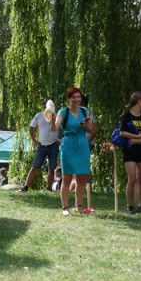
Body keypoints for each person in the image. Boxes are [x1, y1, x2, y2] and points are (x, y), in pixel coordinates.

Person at [52, 87, 97, 215]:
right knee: (67, 177)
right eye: (73, 97)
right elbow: (54, 128)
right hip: (68, 144)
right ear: (69, 99)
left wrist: (85, 126)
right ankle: (65, 208)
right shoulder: (63, 112)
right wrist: (51, 120)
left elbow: (90, 130)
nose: (76, 99)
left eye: (78, 97)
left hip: (82, 144)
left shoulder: (85, 111)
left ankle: (79, 205)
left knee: (81, 177)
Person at [119, 91, 141, 214]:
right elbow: (122, 132)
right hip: (129, 150)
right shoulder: (127, 115)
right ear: (139, 101)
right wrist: (136, 136)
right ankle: (129, 206)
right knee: (132, 178)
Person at [20, 99, 60, 192]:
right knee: (35, 167)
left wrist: (60, 140)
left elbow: (63, 128)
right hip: (42, 146)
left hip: (54, 145)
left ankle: (49, 188)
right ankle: (26, 187)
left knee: (52, 168)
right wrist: (34, 140)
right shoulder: (39, 116)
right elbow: (31, 127)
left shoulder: (57, 115)